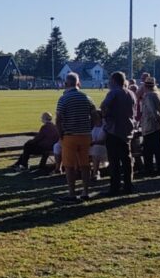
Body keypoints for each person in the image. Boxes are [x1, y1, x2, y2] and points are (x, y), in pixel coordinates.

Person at [55, 72, 97, 202]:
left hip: (70, 136)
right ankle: (85, 191)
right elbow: (95, 115)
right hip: (85, 135)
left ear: (66, 84)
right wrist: (90, 128)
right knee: (85, 164)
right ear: (78, 83)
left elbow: (58, 119)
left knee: (69, 165)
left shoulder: (63, 99)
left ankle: (71, 193)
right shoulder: (87, 98)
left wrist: (61, 133)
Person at [100, 70, 137, 196]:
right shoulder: (131, 93)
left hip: (114, 130)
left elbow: (104, 106)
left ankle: (115, 187)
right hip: (127, 129)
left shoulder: (113, 93)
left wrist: (105, 117)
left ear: (114, 81)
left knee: (114, 161)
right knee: (127, 159)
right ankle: (128, 185)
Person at [140, 76, 160, 175]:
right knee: (159, 149)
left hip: (150, 126)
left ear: (145, 86)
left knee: (147, 150)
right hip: (159, 126)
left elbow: (153, 111)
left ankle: (149, 170)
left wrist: (159, 119)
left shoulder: (148, 96)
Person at [88, 109, 108, 184]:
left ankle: (95, 173)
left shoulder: (105, 126)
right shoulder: (93, 127)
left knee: (96, 149)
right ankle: (85, 172)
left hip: (104, 147)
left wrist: (94, 142)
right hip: (93, 145)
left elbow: (104, 140)